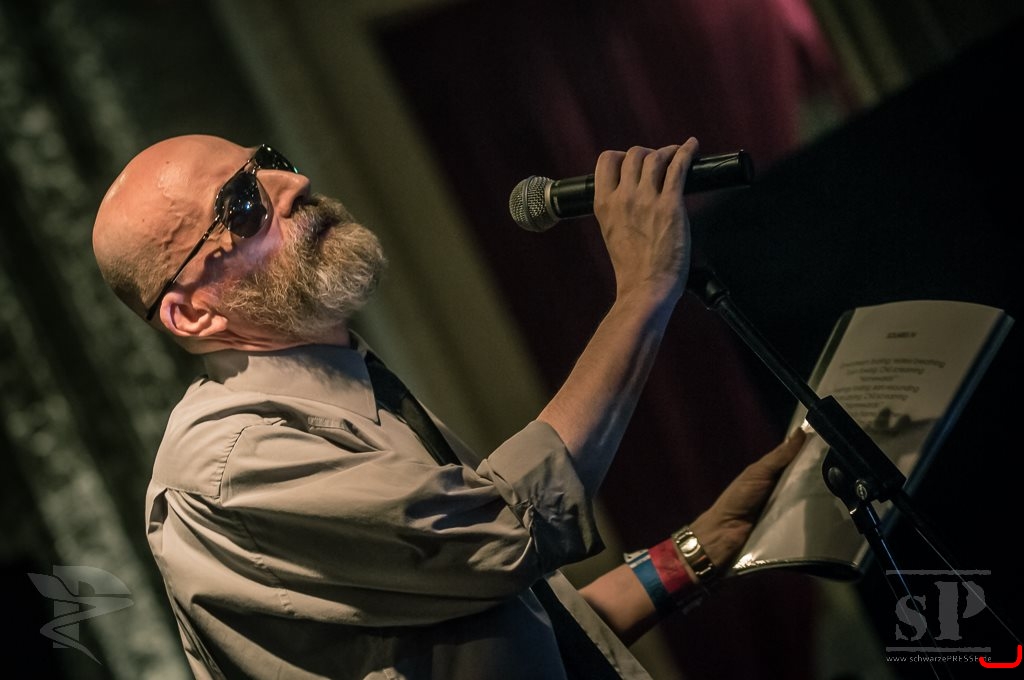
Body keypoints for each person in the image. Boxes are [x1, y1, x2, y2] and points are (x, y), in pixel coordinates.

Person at [91, 133, 805, 679]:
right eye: (243, 205)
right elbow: (506, 534)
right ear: (194, 313)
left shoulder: (351, 387)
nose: (297, 183)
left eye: (270, 161)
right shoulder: (232, 464)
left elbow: (502, 636)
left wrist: (694, 553)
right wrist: (644, 290)